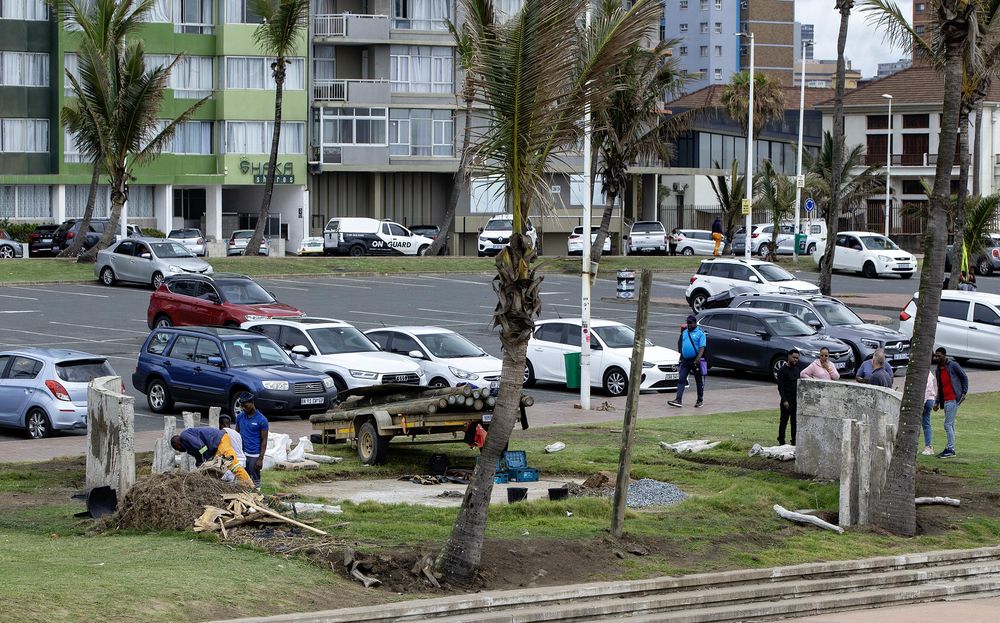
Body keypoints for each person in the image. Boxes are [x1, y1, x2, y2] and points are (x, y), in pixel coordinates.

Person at [170, 427, 252, 485]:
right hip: (215, 447)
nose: (179, 451)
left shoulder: (184, 436)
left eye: (177, 449)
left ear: (177, 444)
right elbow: (199, 457)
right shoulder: (188, 447)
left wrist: (207, 463)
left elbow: (201, 447)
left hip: (219, 440)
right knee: (219, 470)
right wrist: (200, 468)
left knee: (233, 466)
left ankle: (250, 486)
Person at [933, 347, 968, 458]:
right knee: (951, 425)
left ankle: (951, 449)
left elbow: (964, 377)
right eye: (936, 356)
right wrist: (937, 402)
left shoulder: (953, 365)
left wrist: (964, 393)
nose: (937, 358)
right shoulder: (938, 370)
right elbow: (940, 387)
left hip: (953, 399)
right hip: (946, 400)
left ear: (944, 355)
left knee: (947, 425)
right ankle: (950, 448)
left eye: (939, 356)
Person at [668, 315, 706, 408]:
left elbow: (702, 347)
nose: (688, 325)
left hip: (695, 361)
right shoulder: (685, 332)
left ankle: (700, 400)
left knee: (698, 381)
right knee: (681, 379)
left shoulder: (700, 333)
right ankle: (678, 400)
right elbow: (681, 345)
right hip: (685, 361)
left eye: (690, 323)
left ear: (695, 323)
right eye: (687, 323)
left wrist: (698, 357)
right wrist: (681, 357)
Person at [235, 392, 269, 486]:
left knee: (255, 480)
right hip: (242, 454)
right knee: (242, 479)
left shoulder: (262, 420)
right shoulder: (240, 417)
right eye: (242, 406)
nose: (243, 408)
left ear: (252, 402)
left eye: (245, 406)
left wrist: (260, 458)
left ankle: (257, 493)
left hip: (254, 455)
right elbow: (236, 434)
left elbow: (264, 440)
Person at [775, 349, 805, 446]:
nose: (795, 360)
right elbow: (780, 387)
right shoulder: (782, 370)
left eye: (797, 358)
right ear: (789, 356)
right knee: (783, 421)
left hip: (795, 400)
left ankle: (794, 441)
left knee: (794, 422)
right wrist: (784, 400)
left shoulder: (797, 369)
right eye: (794, 357)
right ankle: (781, 440)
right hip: (786, 400)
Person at [921, 369, 938, 456]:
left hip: (927, 400)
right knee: (925, 423)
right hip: (928, 399)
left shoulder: (926, 373)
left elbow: (927, 389)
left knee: (925, 423)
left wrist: (922, 403)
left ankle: (929, 447)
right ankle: (928, 446)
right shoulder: (928, 373)